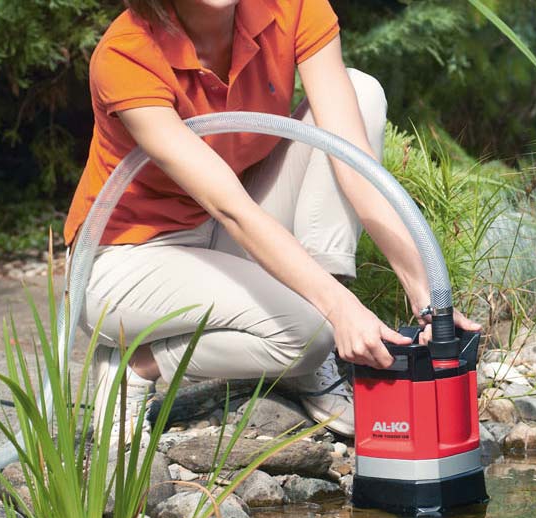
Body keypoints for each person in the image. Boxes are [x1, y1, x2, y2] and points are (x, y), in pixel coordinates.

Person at [65, 0, 479, 437]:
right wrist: (339, 311)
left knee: (360, 93)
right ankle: (135, 365)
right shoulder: (127, 54)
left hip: (221, 228)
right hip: (130, 257)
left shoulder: (292, 7)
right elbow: (231, 207)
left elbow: (355, 167)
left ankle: (309, 353)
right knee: (309, 332)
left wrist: (430, 303)